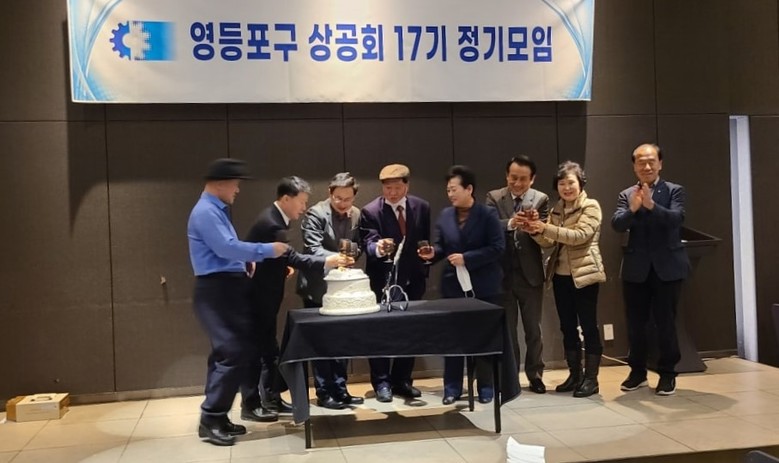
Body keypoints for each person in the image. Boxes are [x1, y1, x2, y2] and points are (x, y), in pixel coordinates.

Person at [187, 158, 289, 446]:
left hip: (226, 289)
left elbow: (225, 251)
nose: (238, 189)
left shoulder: (213, 210)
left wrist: (244, 263)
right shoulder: (206, 212)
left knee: (229, 353)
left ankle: (217, 417)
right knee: (232, 352)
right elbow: (225, 247)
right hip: (216, 291)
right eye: (235, 184)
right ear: (221, 183)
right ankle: (211, 418)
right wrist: (267, 250)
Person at [244, 176, 348, 415]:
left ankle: (271, 399)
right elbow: (292, 257)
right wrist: (328, 261)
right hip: (257, 298)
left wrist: (282, 268)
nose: (304, 207)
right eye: (301, 202)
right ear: (286, 199)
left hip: (265, 296)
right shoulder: (271, 223)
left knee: (269, 350)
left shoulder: (274, 218)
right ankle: (251, 404)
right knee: (257, 352)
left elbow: (277, 259)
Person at [419, 165, 505, 404]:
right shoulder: (446, 215)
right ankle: (452, 387)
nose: (450, 194)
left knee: (483, 337)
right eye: (448, 190)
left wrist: (468, 258)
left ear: (469, 189)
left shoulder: (487, 214)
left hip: (484, 286)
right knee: (453, 338)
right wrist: (431, 253)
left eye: (454, 189)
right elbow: (441, 247)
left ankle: (485, 386)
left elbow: (497, 248)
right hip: (453, 286)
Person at [611, 143, 690, 396]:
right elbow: (617, 224)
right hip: (636, 269)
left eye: (651, 161)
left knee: (665, 323)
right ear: (634, 166)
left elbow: (676, 219)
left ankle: (667, 374)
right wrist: (634, 208)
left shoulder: (674, 190)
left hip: (667, 268)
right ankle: (637, 372)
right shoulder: (627, 194)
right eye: (641, 162)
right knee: (636, 324)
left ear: (660, 164)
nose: (646, 166)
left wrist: (652, 206)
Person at [525, 161, 606, 398]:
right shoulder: (557, 209)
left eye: (571, 182)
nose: (566, 188)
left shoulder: (591, 206)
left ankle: (592, 379)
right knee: (567, 327)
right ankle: (575, 375)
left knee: (589, 327)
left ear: (581, 183)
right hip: (560, 277)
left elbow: (579, 236)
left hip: (585, 275)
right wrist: (535, 231)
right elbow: (550, 242)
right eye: (561, 184)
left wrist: (544, 227)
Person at [359, 163, 431, 402]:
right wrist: (379, 248)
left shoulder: (421, 207)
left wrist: (426, 260)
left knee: (410, 332)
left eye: (397, 188)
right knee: (380, 332)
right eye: (387, 188)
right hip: (384, 281)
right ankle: (382, 383)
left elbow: (423, 239)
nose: (392, 193)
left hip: (414, 280)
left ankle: (403, 380)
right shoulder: (371, 211)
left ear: (407, 186)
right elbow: (368, 244)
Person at [296, 172, 365, 409]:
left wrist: (353, 254)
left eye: (348, 199)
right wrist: (338, 258)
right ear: (329, 193)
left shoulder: (356, 214)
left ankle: (341, 389)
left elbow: (357, 245)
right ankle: (324, 392)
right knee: (321, 342)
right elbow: (312, 249)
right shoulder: (315, 213)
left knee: (342, 341)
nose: (343, 203)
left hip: (343, 287)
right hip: (318, 287)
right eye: (338, 198)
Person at [485, 155, 549, 394]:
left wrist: (534, 227)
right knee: (508, 331)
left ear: (532, 179)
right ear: (506, 176)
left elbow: (545, 234)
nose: (518, 183)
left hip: (530, 275)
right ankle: (510, 378)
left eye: (523, 179)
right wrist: (511, 223)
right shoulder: (494, 197)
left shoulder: (541, 199)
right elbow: (489, 227)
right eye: (513, 178)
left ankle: (536, 375)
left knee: (534, 330)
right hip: (502, 275)